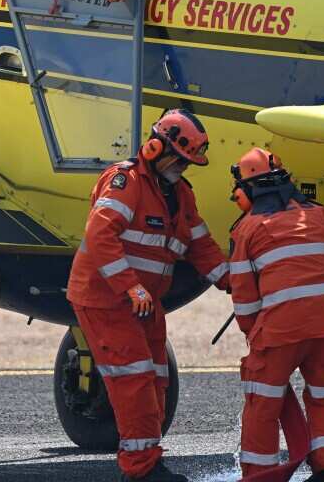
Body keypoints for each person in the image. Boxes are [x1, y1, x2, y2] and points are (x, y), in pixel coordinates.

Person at [66, 109, 232, 482]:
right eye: (181, 160)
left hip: (143, 304)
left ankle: (147, 459)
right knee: (135, 379)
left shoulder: (180, 195)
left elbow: (201, 244)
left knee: (156, 379)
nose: (183, 168)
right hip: (108, 299)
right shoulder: (125, 182)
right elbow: (100, 236)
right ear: (157, 148)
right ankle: (140, 470)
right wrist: (130, 285)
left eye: (188, 163)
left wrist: (232, 281)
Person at [227, 148, 324, 482]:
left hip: (280, 332)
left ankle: (261, 475)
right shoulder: (319, 215)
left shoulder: (247, 230)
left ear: (247, 191)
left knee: (263, 403)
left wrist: (254, 336)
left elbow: (244, 299)